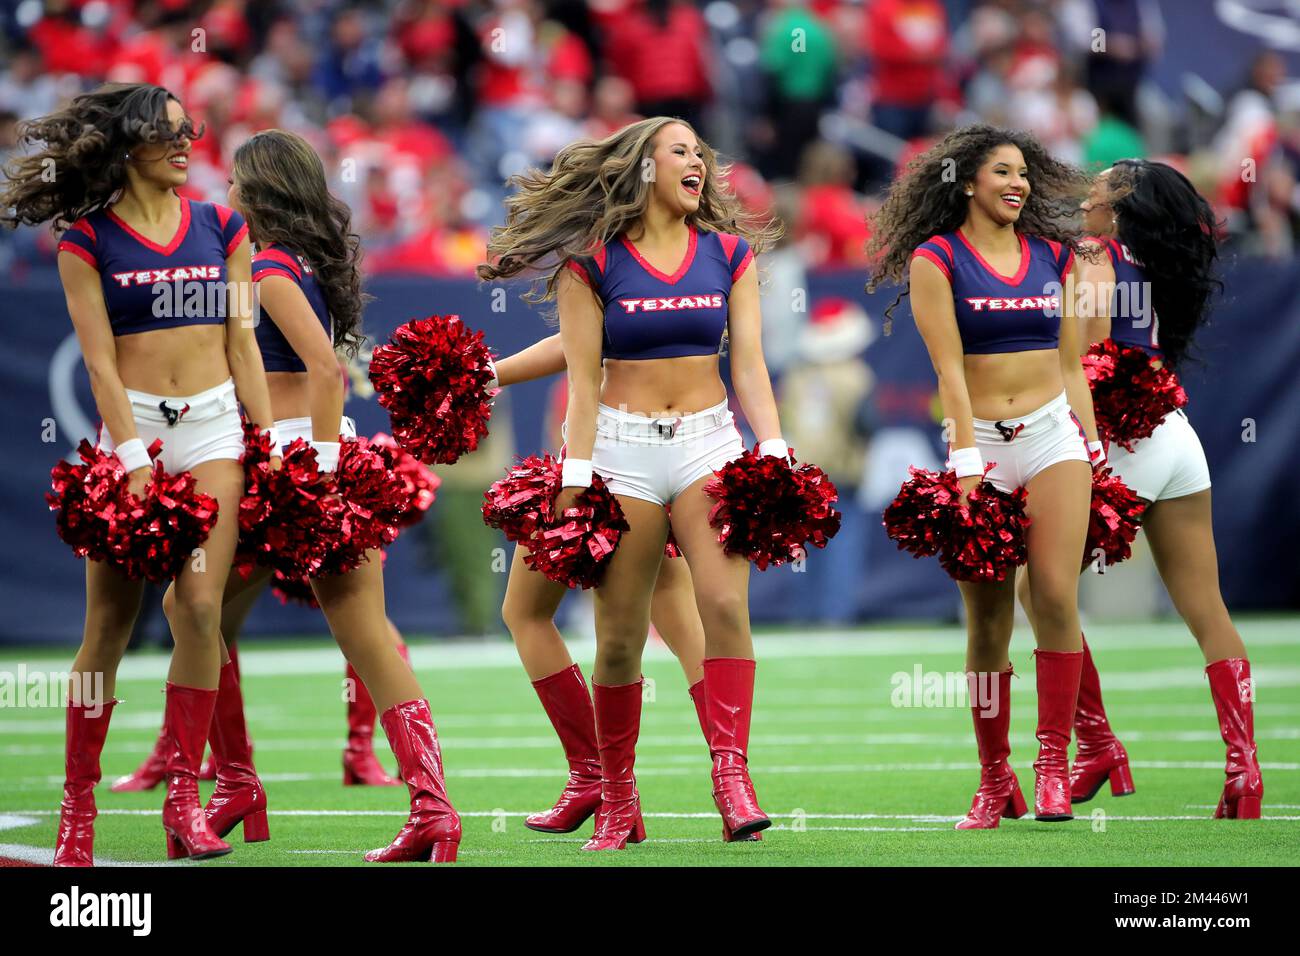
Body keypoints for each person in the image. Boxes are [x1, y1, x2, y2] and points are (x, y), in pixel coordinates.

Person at [478, 117, 785, 850]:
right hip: (621, 452)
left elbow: (748, 364)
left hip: (710, 442)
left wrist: (772, 446)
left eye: (700, 154)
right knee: (618, 640)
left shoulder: (729, 254)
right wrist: (576, 478)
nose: (697, 163)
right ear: (643, 168)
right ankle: (617, 797)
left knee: (723, 604)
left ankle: (732, 778)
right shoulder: (592, 264)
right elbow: (583, 383)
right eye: (679, 151)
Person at [1, 82, 277, 864]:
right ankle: (76, 810)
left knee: (198, 609)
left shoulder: (225, 226)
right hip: (136, 439)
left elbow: (244, 343)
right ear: (129, 147)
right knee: (106, 629)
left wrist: (269, 443)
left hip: (218, 430)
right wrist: (128, 460)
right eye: (170, 135)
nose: (188, 145)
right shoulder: (85, 241)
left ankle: (187, 801)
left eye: (192, 131)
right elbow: (98, 363)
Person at [199, 128, 460, 861]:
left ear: (259, 191)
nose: (225, 193)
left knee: (201, 614)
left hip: (286, 465)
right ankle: (430, 809)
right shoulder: (301, 262)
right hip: (303, 459)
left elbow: (324, 370)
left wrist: (310, 467)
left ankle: (239, 784)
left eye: (235, 182)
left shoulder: (271, 267)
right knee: (347, 633)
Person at [867, 124, 1102, 828]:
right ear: (967, 182)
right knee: (987, 621)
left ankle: (1053, 766)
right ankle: (994, 777)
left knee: (1056, 595)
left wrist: (1093, 445)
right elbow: (948, 372)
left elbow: (1069, 366)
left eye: (1023, 173)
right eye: (1002, 171)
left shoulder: (1053, 258)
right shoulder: (937, 259)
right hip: (981, 450)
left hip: (1053, 435)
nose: (1017, 183)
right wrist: (967, 462)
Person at [1018, 160, 1263, 819]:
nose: (1086, 194)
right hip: (1176, 438)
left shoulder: (1096, 253)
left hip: (1122, 437)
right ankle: (1245, 773)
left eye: (1099, 187)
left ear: (1120, 204)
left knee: (1039, 589)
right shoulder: (1154, 263)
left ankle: (1096, 744)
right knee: (1208, 611)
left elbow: (1087, 350)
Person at [487, 333, 760, 840]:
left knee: (530, 612)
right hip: (659, 457)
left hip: (612, 461)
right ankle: (730, 788)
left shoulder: (608, 262)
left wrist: (488, 375)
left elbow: (576, 343)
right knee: (680, 620)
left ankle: (599, 778)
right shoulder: (674, 263)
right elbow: (578, 341)